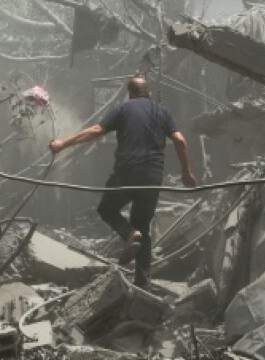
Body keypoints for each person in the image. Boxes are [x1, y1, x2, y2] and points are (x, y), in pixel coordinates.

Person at [48, 76, 197, 288]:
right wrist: (186, 172)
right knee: (143, 226)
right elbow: (180, 140)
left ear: (130, 94)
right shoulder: (163, 112)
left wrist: (63, 143)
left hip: (127, 173)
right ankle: (143, 281)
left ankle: (129, 233)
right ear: (149, 94)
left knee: (107, 209)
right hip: (153, 177)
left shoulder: (123, 109)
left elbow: (97, 131)